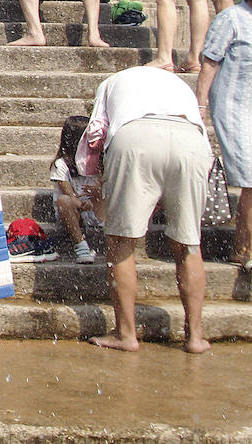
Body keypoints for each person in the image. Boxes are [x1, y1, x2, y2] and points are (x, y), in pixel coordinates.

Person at [76, 65, 213, 354]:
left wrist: (99, 177)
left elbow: (96, 134)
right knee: (188, 243)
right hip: (191, 141)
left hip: (135, 136)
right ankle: (195, 336)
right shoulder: (176, 84)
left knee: (121, 241)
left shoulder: (111, 82)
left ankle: (126, 333)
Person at [197, 0, 252, 277]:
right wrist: (199, 107)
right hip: (235, 108)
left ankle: (241, 248)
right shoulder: (233, 18)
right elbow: (210, 61)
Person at [49, 115, 102, 265]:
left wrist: (98, 193)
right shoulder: (61, 165)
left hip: (97, 209)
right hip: (74, 211)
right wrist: (82, 204)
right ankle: (80, 244)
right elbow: (69, 194)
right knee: (64, 201)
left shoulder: (99, 161)